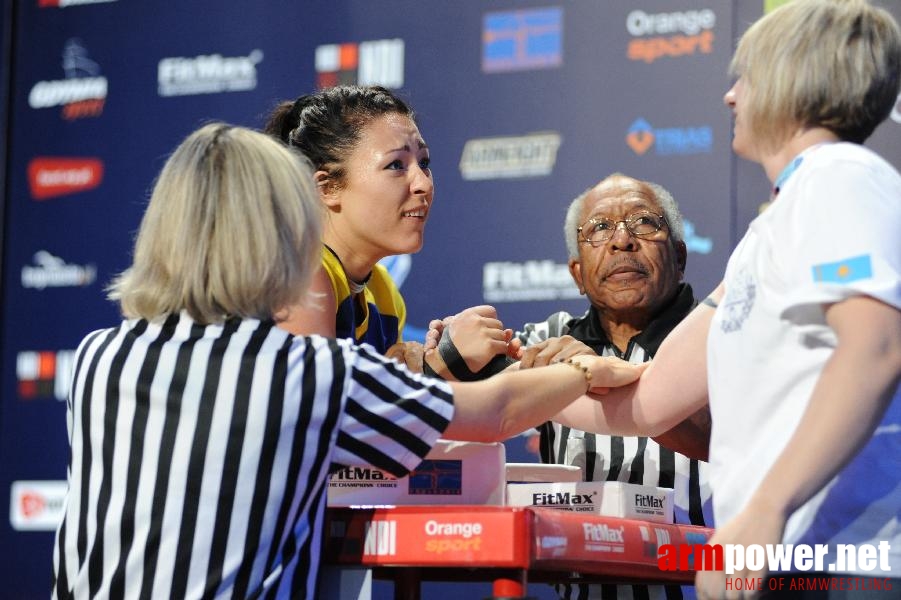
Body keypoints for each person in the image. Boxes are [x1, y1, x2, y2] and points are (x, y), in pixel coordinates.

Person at [50, 123, 643, 599]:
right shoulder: (306, 370)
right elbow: (493, 414)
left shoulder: (100, 356)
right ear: (277, 234)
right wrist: (584, 370)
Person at [551, 1, 901, 597]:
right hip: (783, 560)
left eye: (746, 78)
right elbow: (653, 402)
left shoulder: (838, 179)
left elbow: (877, 346)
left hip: (843, 561)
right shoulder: (774, 225)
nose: (731, 97)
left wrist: (764, 511)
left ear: (789, 85)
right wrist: (513, 384)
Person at [430, 173, 714, 600]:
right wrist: (447, 358)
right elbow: (450, 403)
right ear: (577, 274)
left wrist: (587, 376)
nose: (622, 241)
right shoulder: (545, 339)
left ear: (679, 256)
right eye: (599, 228)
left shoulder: (720, 335)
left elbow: (716, 438)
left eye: (644, 222)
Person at [263, 85, 508, 375]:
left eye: (424, 163)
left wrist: (418, 369)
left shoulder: (383, 292)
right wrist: (443, 365)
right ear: (326, 187)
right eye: (396, 165)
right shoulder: (298, 277)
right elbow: (317, 410)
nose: (424, 184)